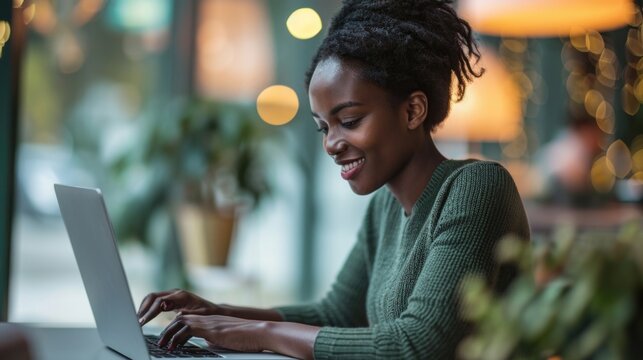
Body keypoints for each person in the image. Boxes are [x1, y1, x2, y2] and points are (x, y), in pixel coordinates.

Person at [136, 0, 531, 358]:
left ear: (413, 110)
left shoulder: (477, 188)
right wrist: (218, 314)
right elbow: (337, 313)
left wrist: (260, 332)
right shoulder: (386, 206)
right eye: (323, 127)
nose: (332, 144)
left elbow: (418, 344)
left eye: (350, 121)